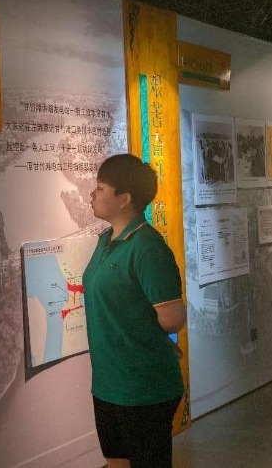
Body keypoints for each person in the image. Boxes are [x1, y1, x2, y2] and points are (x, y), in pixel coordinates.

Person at [82, 154, 186, 468]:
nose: (92, 194)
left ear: (124, 199)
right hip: (108, 382)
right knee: (116, 461)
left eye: (101, 188)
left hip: (144, 386)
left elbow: (173, 318)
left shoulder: (147, 248)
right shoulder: (105, 241)